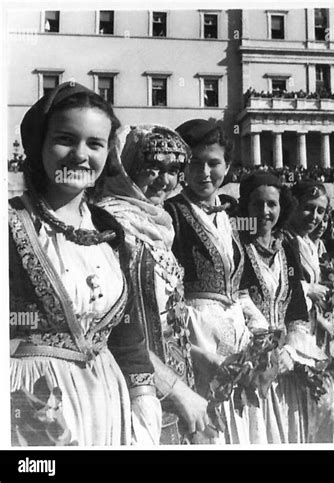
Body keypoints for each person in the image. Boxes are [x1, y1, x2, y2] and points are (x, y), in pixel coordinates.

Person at [9, 82, 161, 446]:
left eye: (94, 144)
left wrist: (143, 404)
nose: (80, 154)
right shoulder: (11, 225)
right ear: (39, 145)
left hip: (107, 403)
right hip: (33, 404)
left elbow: (128, 338)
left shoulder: (110, 232)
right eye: (65, 139)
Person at [96, 124, 210, 444]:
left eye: (174, 170)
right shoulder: (113, 224)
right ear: (130, 167)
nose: (165, 180)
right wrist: (167, 384)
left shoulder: (159, 225)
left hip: (175, 382)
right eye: (154, 168)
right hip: (130, 384)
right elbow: (116, 323)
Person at [165, 119, 267, 444]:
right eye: (195, 163)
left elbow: (238, 287)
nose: (205, 173)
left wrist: (261, 330)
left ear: (229, 165)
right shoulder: (171, 214)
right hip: (197, 337)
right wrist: (191, 350)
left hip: (234, 334)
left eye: (214, 163)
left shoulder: (227, 216)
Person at [238, 173, 329, 444]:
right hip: (253, 363)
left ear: (282, 207)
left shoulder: (286, 247)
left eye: (272, 205)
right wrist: (264, 348)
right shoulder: (238, 245)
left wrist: (290, 348)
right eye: (257, 204)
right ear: (246, 207)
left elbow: (297, 307)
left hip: (286, 362)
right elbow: (239, 299)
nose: (265, 212)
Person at [288, 180, 334, 442]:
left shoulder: (307, 241)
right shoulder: (285, 238)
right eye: (308, 208)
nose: (314, 217)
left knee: (318, 401)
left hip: (312, 326)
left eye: (320, 211)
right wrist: (307, 289)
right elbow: (281, 280)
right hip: (295, 330)